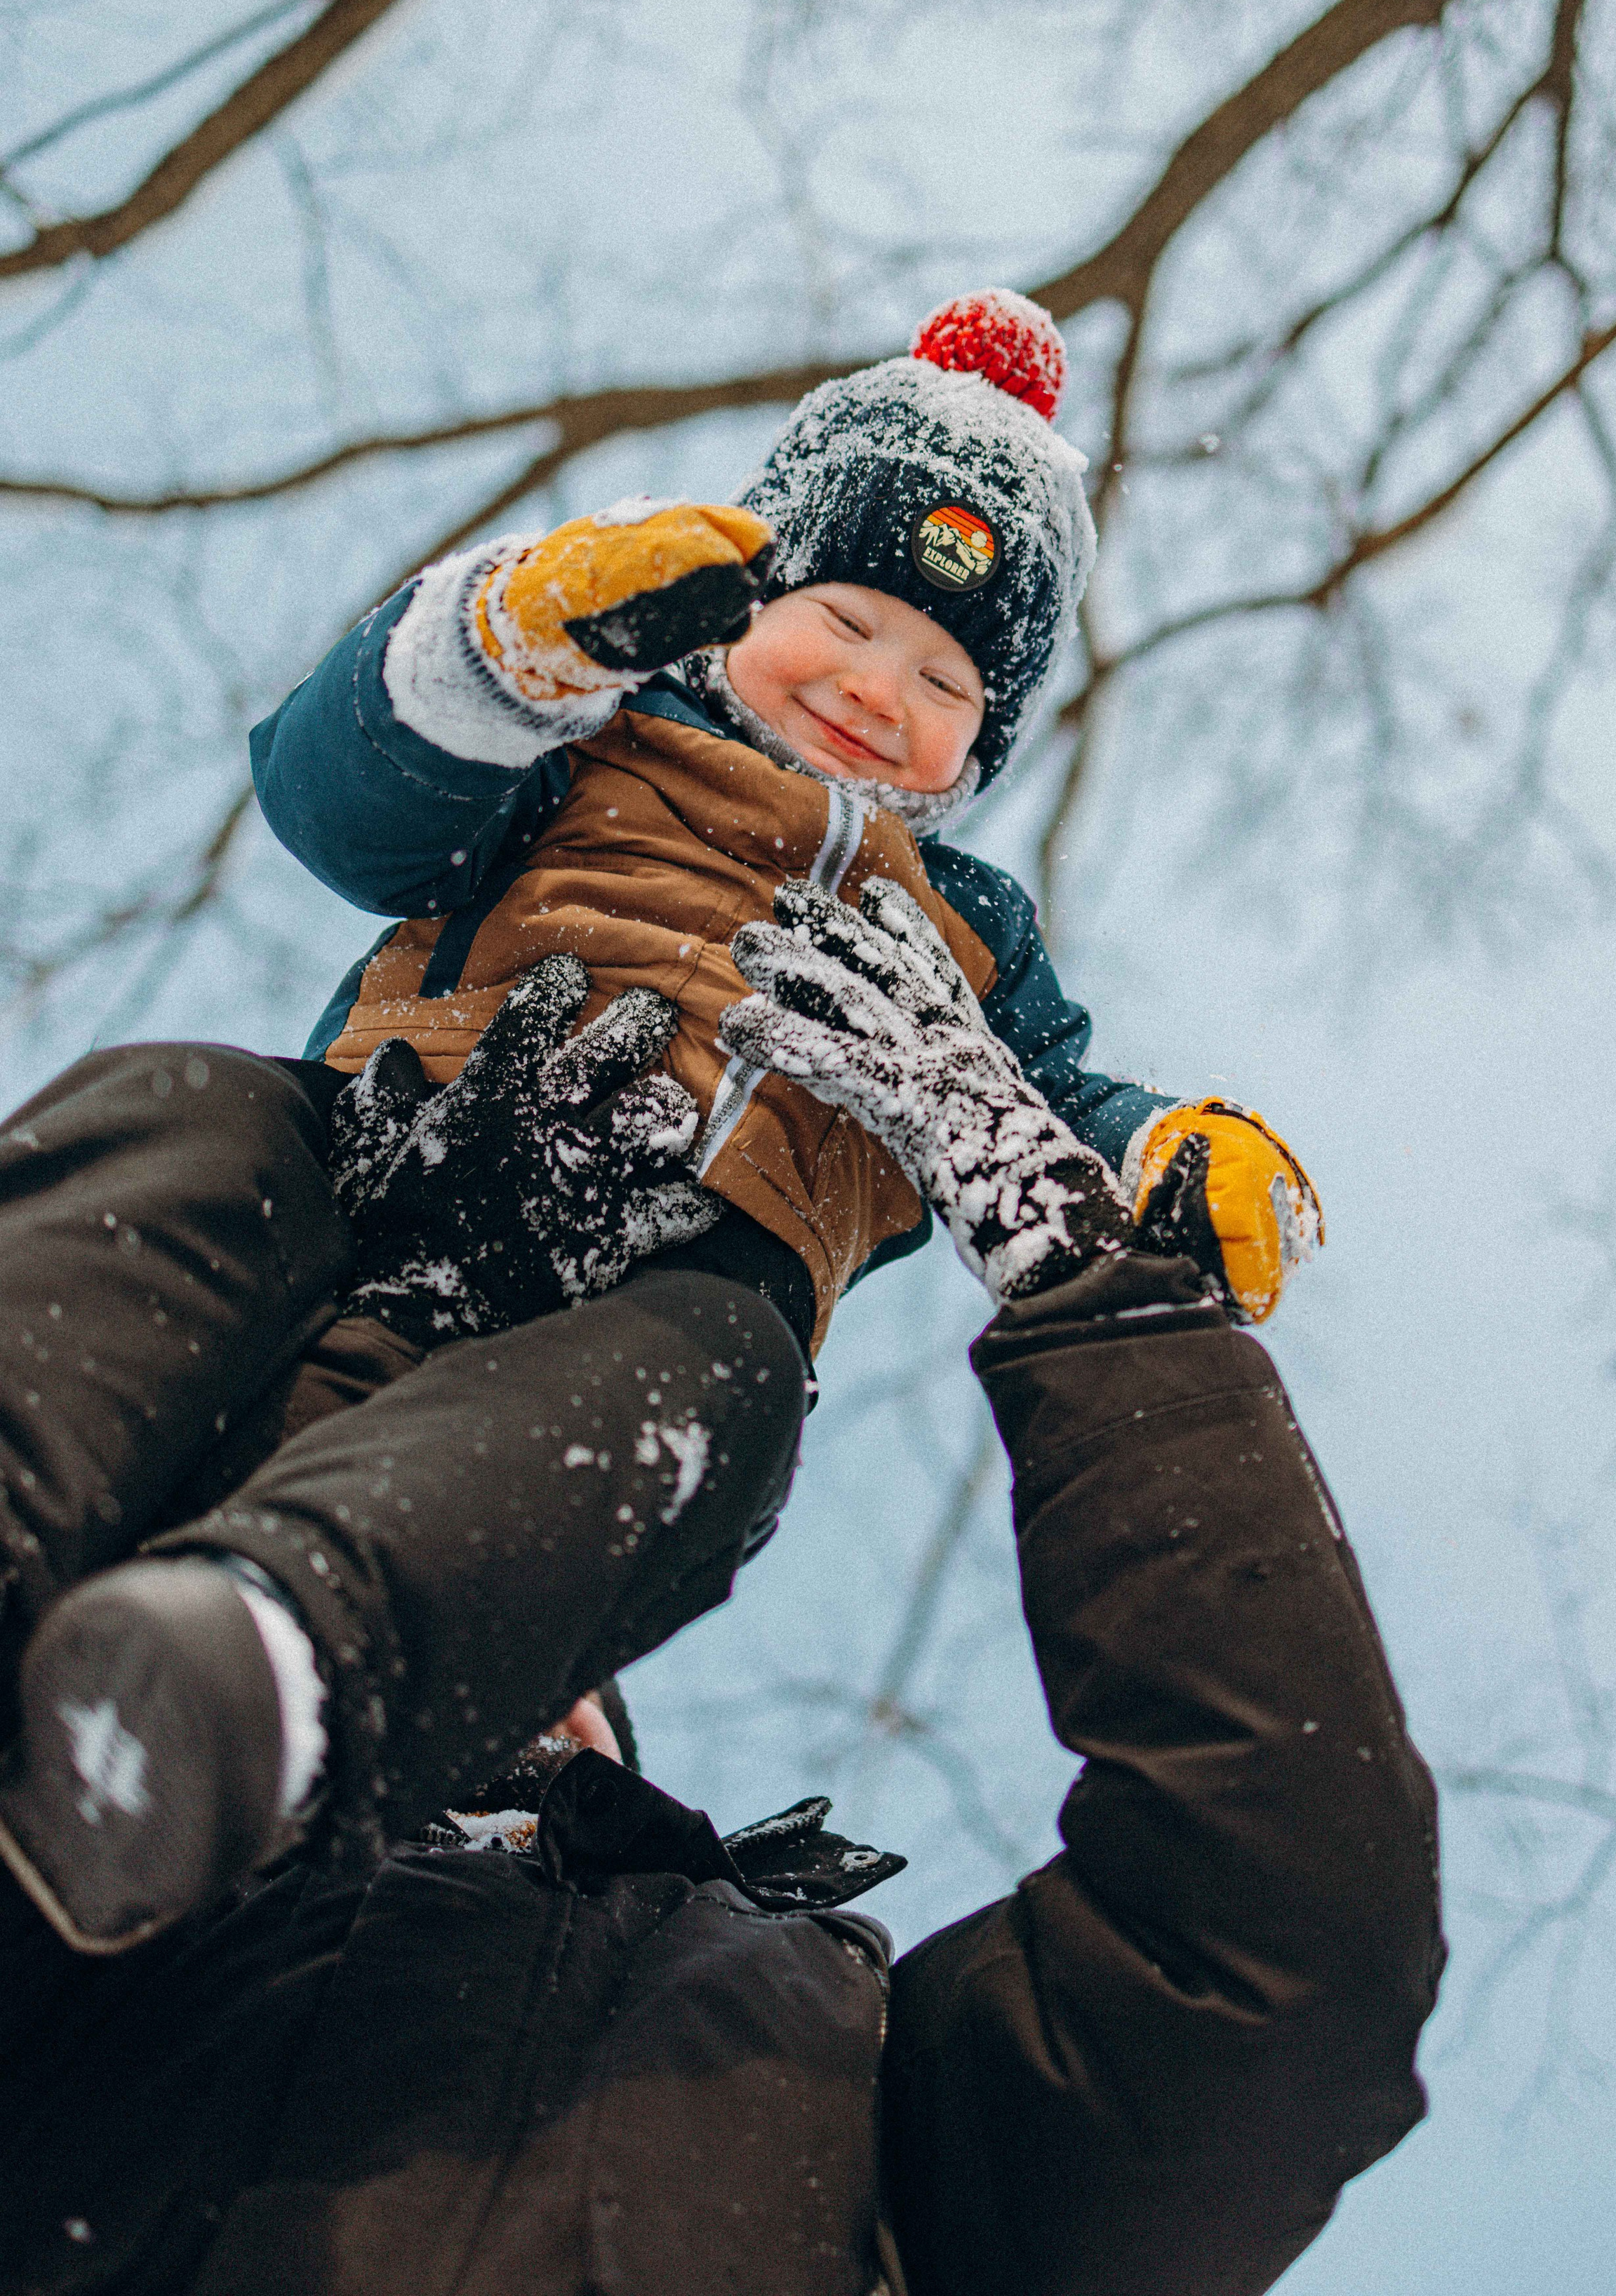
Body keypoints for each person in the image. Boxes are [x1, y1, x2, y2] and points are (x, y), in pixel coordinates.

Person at [0, 288, 1322, 1954]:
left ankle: (275, 1658)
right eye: (842, 619)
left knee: (712, 1402)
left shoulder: (967, 932)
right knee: (188, 1121)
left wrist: (1161, 1162)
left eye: (941, 678)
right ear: (743, 597)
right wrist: (510, 644)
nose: (874, 686)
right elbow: (339, 800)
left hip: (680, 1275)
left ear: (983, 740)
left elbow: (1057, 1093)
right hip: (395, 1137)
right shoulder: (602, 732)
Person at [0, 888, 1443, 2296]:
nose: (535, 1694)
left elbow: (1277, 1951)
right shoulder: (119, 1858)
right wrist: (405, 1325)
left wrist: (1087, 1280)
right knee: (215, 1117)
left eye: (546, 1654)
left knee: (724, 1367)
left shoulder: (871, 2100)